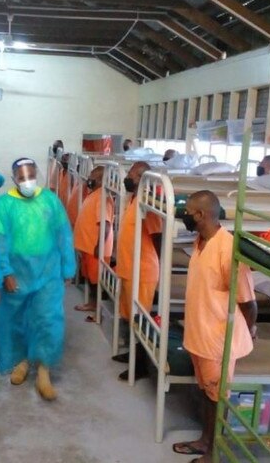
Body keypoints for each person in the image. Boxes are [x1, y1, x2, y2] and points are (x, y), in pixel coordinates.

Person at [173, 190, 257, 462]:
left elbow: (248, 301)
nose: (184, 215)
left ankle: (215, 451)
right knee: (207, 393)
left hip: (218, 340)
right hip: (201, 334)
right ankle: (206, 441)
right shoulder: (200, 241)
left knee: (217, 397)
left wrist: (248, 331)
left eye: (188, 211)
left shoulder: (227, 248)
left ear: (201, 215)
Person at [0, 158, 75, 401]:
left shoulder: (50, 200)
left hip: (48, 271)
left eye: (30, 175)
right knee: (15, 319)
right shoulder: (5, 204)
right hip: (16, 272)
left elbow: (63, 234)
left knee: (47, 319)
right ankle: (21, 361)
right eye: (21, 177)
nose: (27, 181)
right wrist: (5, 272)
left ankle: (43, 369)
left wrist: (68, 267)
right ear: (14, 178)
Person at [112, 162, 162, 381]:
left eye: (132, 176)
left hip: (142, 271)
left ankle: (140, 365)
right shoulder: (132, 199)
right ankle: (132, 354)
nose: (128, 179)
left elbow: (158, 238)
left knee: (140, 319)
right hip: (128, 267)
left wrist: (160, 270)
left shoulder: (148, 204)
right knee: (129, 315)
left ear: (143, 178)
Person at [73, 166, 113, 315]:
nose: (89, 179)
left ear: (100, 180)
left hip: (95, 247)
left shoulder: (102, 197)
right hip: (89, 246)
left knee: (96, 280)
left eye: (92, 177)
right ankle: (92, 303)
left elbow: (105, 224)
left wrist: (99, 246)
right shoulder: (95, 194)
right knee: (91, 277)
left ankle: (95, 306)